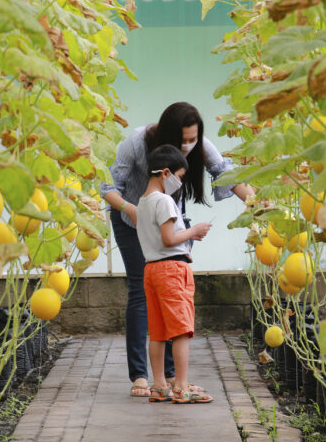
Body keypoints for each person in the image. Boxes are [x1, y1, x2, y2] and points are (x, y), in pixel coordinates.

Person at [101, 102, 255, 397]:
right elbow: (107, 185)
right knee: (141, 291)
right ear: (166, 137)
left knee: (165, 299)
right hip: (131, 217)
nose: (187, 146)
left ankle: (168, 377)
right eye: (182, 140)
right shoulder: (136, 142)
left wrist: (255, 203)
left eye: (192, 140)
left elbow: (224, 171)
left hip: (168, 220)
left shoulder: (197, 145)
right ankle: (140, 376)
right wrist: (133, 210)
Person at [135, 145, 213, 403]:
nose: (179, 182)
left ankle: (159, 385)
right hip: (171, 269)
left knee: (157, 332)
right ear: (165, 173)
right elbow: (169, 239)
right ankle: (181, 386)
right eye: (178, 177)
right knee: (181, 330)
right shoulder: (164, 200)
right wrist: (194, 231)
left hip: (151, 270)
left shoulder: (143, 202)